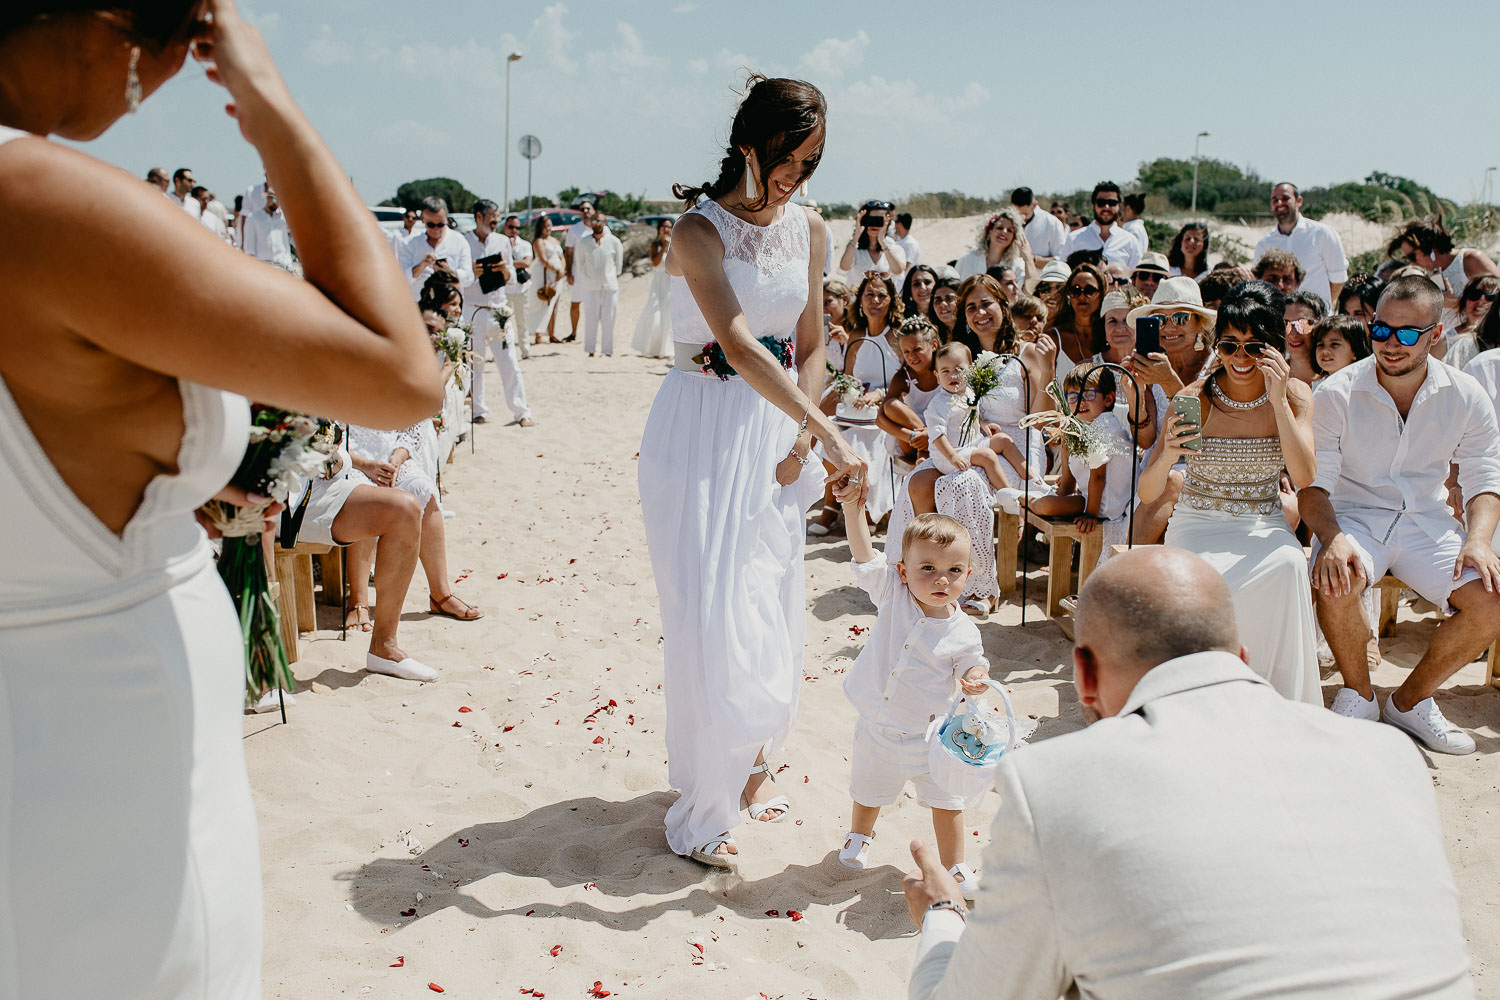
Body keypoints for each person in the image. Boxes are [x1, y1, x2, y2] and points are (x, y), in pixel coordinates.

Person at [0, 1, 443, 994]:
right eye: (176, 45)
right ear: (101, 26)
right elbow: (400, 368)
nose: (161, 81)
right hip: (99, 736)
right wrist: (270, 101)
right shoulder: (37, 198)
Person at [904, 546, 1475, 1000]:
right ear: (1241, 657)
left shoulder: (1052, 784)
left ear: (1084, 675)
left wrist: (943, 914)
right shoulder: (1387, 755)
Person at [638, 75, 865, 869]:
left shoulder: (809, 228)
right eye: (791, 159)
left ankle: (751, 756)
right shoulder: (695, 233)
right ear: (751, 146)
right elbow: (736, 344)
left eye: (813, 163)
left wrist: (804, 444)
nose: (800, 177)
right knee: (707, 612)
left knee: (765, 599)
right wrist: (828, 433)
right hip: (699, 428)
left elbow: (810, 346)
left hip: (777, 436)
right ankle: (705, 802)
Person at [1300, 275, 1500, 754]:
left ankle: (1410, 702)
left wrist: (1478, 540)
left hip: (1427, 523)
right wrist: (1331, 537)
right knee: (1337, 574)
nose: (1392, 343)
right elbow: (1313, 487)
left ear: (1436, 335)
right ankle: (1360, 693)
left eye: (1408, 333)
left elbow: (1483, 479)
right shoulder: (1336, 391)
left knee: (1492, 600)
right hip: (1354, 518)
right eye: (1381, 329)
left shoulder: (1466, 393)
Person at [1137, 281, 1319, 703]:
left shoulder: (1295, 396)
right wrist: (1167, 458)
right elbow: (1149, 493)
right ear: (1216, 346)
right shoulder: (1194, 398)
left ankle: (1273, 700)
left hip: (1262, 519)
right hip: (1199, 520)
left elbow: (1305, 475)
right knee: (1200, 577)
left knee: (1291, 563)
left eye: (1254, 347)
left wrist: (1276, 402)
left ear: (1275, 349)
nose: (1240, 358)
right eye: (1229, 345)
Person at [837, 510, 988, 898]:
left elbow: (972, 660)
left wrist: (974, 676)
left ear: (968, 576)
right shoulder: (892, 593)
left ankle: (954, 864)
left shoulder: (963, 631)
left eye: (955, 570)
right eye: (928, 568)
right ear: (903, 571)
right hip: (878, 726)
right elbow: (864, 555)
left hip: (929, 735)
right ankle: (859, 836)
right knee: (869, 788)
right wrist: (854, 511)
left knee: (947, 800)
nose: (942, 579)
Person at [1025, 364, 1137, 569]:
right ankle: (1033, 499)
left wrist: (1091, 515)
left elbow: (1098, 476)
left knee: (1044, 505)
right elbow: (1074, 478)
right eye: (1073, 397)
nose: (1080, 403)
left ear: (1109, 399)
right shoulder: (1083, 427)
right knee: (1051, 501)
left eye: (1088, 395)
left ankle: (1026, 499)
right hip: (1091, 498)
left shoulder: (1104, 427)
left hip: (1105, 505)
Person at [836, 272, 905, 522]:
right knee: (838, 436)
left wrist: (880, 394)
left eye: (881, 295)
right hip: (858, 412)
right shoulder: (856, 335)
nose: (875, 300)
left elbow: (909, 380)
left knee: (870, 440)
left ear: (891, 301)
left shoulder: (897, 336)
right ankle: (846, 507)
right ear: (861, 300)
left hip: (891, 409)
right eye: (869, 295)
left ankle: (871, 511)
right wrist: (855, 394)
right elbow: (847, 377)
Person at [463, 199, 531, 426]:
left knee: (509, 361)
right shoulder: (464, 242)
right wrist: (471, 272)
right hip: (472, 310)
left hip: (498, 308)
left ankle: (521, 411)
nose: (495, 221)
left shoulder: (502, 241)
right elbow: (458, 279)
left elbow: (511, 278)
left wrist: (505, 270)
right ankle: (478, 410)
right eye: (492, 216)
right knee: (475, 364)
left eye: (497, 217)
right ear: (478, 217)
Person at [924, 342, 1028, 489]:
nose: (953, 375)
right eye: (945, 371)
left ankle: (1031, 479)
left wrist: (984, 424)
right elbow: (937, 436)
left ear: (971, 369)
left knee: (1003, 440)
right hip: (949, 454)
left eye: (959, 369)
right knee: (987, 456)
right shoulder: (938, 404)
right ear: (937, 376)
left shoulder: (969, 392)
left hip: (972, 444)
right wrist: (953, 457)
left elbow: (971, 414)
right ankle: (1007, 493)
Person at [1252, 181, 1348, 309]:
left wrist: (1321, 309)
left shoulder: (1322, 234)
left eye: (1285, 198)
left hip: (1316, 320)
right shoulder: (1264, 244)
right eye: (1275, 200)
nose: (1280, 203)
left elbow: (1338, 279)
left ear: (1299, 201)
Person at [1387, 217, 1500, 309]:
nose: (1412, 263)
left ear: (1429, 247)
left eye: (1412, 256)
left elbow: (1496, 298)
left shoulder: (1470, 260)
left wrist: (1455, 304)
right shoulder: (1426, 273)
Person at [398, 195, 473, 297]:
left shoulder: (459, 241)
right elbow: (400, 279)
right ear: (422, 219)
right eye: (431, 225)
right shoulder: (411, 244)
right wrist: (421, 266)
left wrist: (449, 272)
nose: (436, 229)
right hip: (420, 307)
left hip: (449, 308)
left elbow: (469, 278)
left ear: (446, 219)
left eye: (440, 224)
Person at [1046, 261, 1107, 382]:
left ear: (1101, 294)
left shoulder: (1110, 336)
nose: (1082, 296)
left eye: (1089, 290)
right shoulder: (1053, 338)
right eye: (1076, 290)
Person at [1062, 181, 1142, 270]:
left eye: (1112, 203)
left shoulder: (1130, 241)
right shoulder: (1074, 239)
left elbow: (1135, 277)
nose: (1106, 207)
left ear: (1119, 205)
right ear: (1094, 205)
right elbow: (1064, 273)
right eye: (1101, 202)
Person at [576, 208, 623, 357]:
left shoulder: (614, 242)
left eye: (600, 220)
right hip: (590, 286)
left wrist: (610, 277)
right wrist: (587, 279)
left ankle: (607, 350)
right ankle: (590, 350)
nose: (597, 223)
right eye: (595, 220)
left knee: (609, 318)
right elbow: (579, 263)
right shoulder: (583, 242)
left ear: (605, 222)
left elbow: (618, 265)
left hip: (609, 286)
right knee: (591, 318)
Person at [955, 207, 1034, 287]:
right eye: (1000, 228)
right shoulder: (968, 260)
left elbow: (1030, 291)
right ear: (989, 231)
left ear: (1013, 238)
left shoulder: (1016, 265)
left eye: (1010, 230)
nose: (1004, 232)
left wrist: (1028, 259)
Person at [631, 217, 674, 358]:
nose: (666, 229)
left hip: (670, 283)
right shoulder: (655, 245)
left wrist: (670, 247)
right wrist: (664, 248)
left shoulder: (676, 244)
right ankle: (653, 348)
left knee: (669, 315)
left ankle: (666, 349)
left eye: (668, 226)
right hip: (658, 283)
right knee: (655, 314)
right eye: (663, 226)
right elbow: (655, 263)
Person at [840, 198, 906, 287]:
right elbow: (844, 266)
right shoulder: (854, 248)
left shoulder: (894, 249)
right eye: (870, 220)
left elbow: (898, 271)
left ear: (887, 222)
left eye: (879, 220)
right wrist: (856, 236)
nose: (874, 224)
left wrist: (882, 242)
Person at [1437, 274, 1498, 370]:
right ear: (1465, 300)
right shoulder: (1443, 341)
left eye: (1490, 297)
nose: (1481, 300)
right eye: (1474, 294)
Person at [562, 199, 597, 341]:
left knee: (594, 304)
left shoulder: (600, 227)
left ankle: (592, 333)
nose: (585, 211)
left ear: (593, 210)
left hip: (596, 273)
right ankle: (574, 332)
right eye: (582, 209)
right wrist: (569, 272)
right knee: (576, 302)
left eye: (588, 208)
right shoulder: (575, 229)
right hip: (579, 272)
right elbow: (569, 252)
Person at [527, 214, 565, 344]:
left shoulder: (555, 240)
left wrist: (562, 270)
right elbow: (543, 259)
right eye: (545, 226)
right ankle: (538, 334)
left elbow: (562, 257)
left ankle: (552, 333)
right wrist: (556, 270)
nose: (548, 228)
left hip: (557, 276)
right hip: (545, 274)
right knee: (542, 303)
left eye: (549, 225)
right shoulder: (538, 241)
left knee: (554, 304)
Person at [241, 182, 293, 269]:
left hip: (282, 267)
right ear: (268, 198)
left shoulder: (281, 219)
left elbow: (286, 246)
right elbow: (249, 248)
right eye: (275, 200)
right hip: (263, 267)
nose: (276, 204)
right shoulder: (254, 218)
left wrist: (289, 265)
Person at [501, 214, 532, 357]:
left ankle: (525, 349)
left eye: (517, 227)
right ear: (505, 227)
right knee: (503, 322)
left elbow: (527, 263)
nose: (514, 230)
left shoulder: (525, 244)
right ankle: (504, 350)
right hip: (504, 288)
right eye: (511, 227)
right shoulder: (499, 244)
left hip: (521, 288)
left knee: (523, 320)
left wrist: (507, 263)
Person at [1310, 313, 1372, 382]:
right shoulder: (1316, 386)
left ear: (1355, 351)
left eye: (1334, 344)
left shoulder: (1360, 385)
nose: (1325, 351)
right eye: (1320, 345)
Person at [1012, 185, 1067, 264]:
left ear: (1034, 205)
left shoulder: (1052, 223)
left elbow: (1060, 259)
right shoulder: (1007, 221)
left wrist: (1032, 259)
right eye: (1017, 213)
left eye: (1025, 214)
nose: (1021, 218)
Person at [1282, 288, 1325, 384]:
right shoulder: (1270, 376)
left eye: (1303, 324)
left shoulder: (1334, 378)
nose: (1293, 334)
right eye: (1286, 324)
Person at [892, 211, 920, 275]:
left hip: (904, 283)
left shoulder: (910, 244)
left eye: (896, 222)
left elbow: (905, 267)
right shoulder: (900, 242)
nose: (894, 226)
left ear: (900, 224)